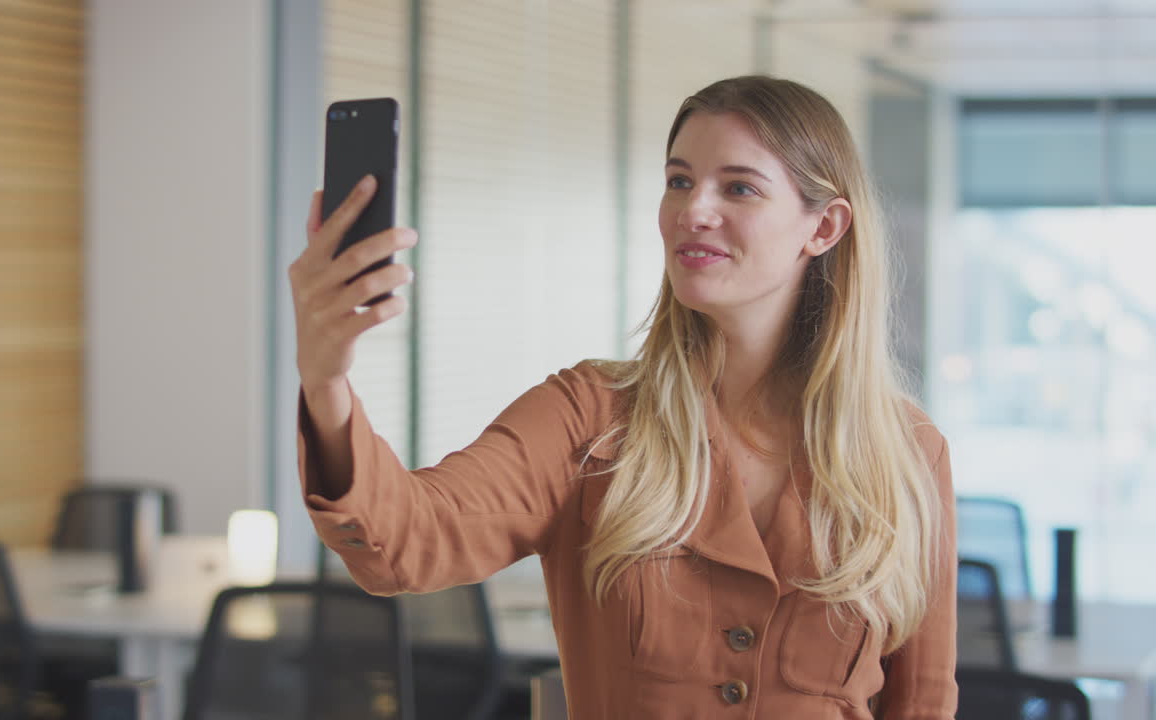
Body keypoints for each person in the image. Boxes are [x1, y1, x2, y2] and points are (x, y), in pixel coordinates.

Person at [289, 75, 956, 719]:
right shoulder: (589, 417)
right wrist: (325, 380)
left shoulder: (908, 453)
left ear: (825, 227)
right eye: (679, 181)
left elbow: (922, 704)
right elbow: (406, 540)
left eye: (739, 188)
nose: (693, 211)